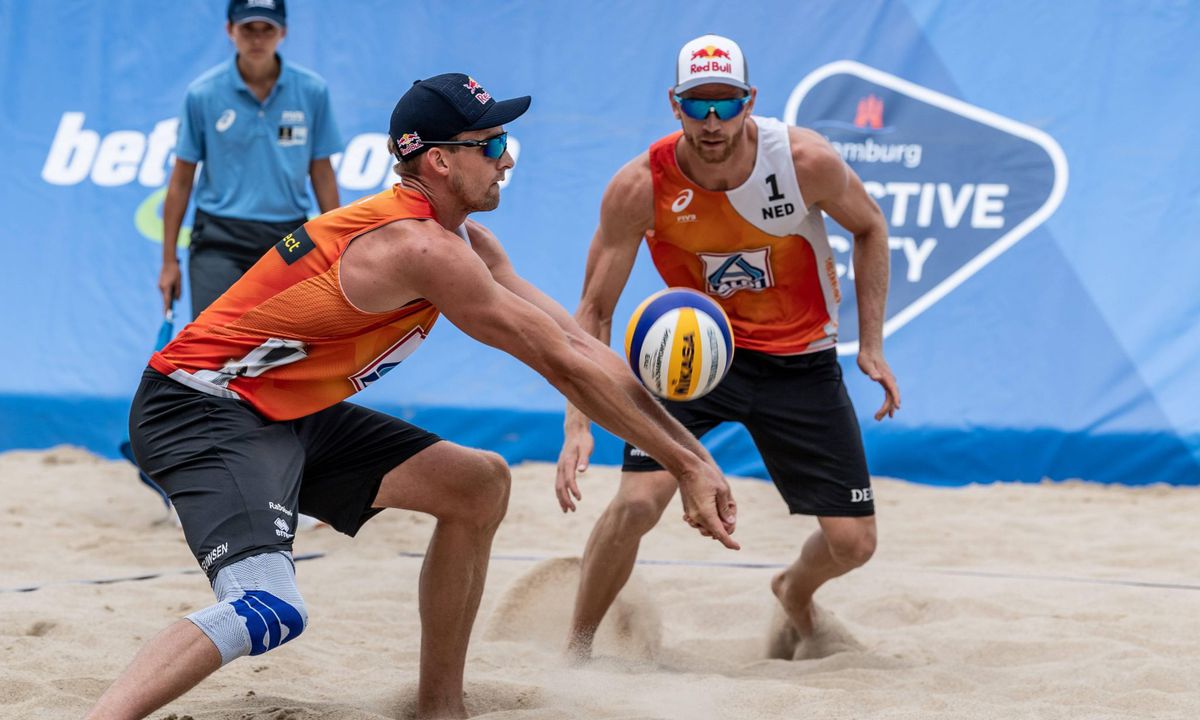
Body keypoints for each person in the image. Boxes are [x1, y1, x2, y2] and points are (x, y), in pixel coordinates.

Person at [86, 73, 738, 720]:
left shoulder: (467, 242)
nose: (507, 157)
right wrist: (687, 465)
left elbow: (577, 344)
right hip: (197, 408)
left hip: (279, 410)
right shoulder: (417, 247)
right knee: (268, 609)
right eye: (492, 144)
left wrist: (690, 457)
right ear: (441, 161)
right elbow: (561, 364)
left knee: (477, 484)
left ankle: (439, 709)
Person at [555, 34, 901, 661]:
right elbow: (594, 312)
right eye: (697, 105)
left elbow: (871, 228)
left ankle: (793, 593)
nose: (711, 120)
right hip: (692, 359)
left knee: (854, 544)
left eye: (726, 103)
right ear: (674, 103)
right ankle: (576, 649)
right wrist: (577, 423)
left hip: (800, 361)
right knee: (635, 504)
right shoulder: (641, 186)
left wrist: (870, 345)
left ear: (750, 102)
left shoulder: (803, 161)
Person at [158, 0, 342, 320]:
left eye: (266, 29)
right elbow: (181, 181)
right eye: (248, 29)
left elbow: (322, 173)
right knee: (214, 342)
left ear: (282, 32)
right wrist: (168, 261)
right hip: (218, 238)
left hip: (288, 237)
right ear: (230, 30)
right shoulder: (202, 94)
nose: (257, 39)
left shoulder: (312, 91)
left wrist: (340, 246)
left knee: (285, 346)